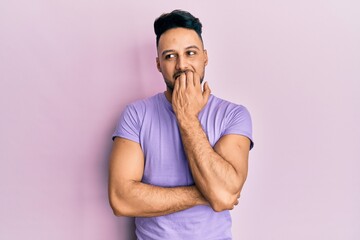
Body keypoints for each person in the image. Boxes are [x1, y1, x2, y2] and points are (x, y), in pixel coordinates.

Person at [108, 9, 254, 239]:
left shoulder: (233, 115)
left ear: (205, 57)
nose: (182, 65)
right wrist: (205, 193)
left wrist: (187, 118)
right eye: (170, 56)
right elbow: (121, 199)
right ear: (158, 64)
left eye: (190, 53)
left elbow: (225, 196)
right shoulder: (136, 114)